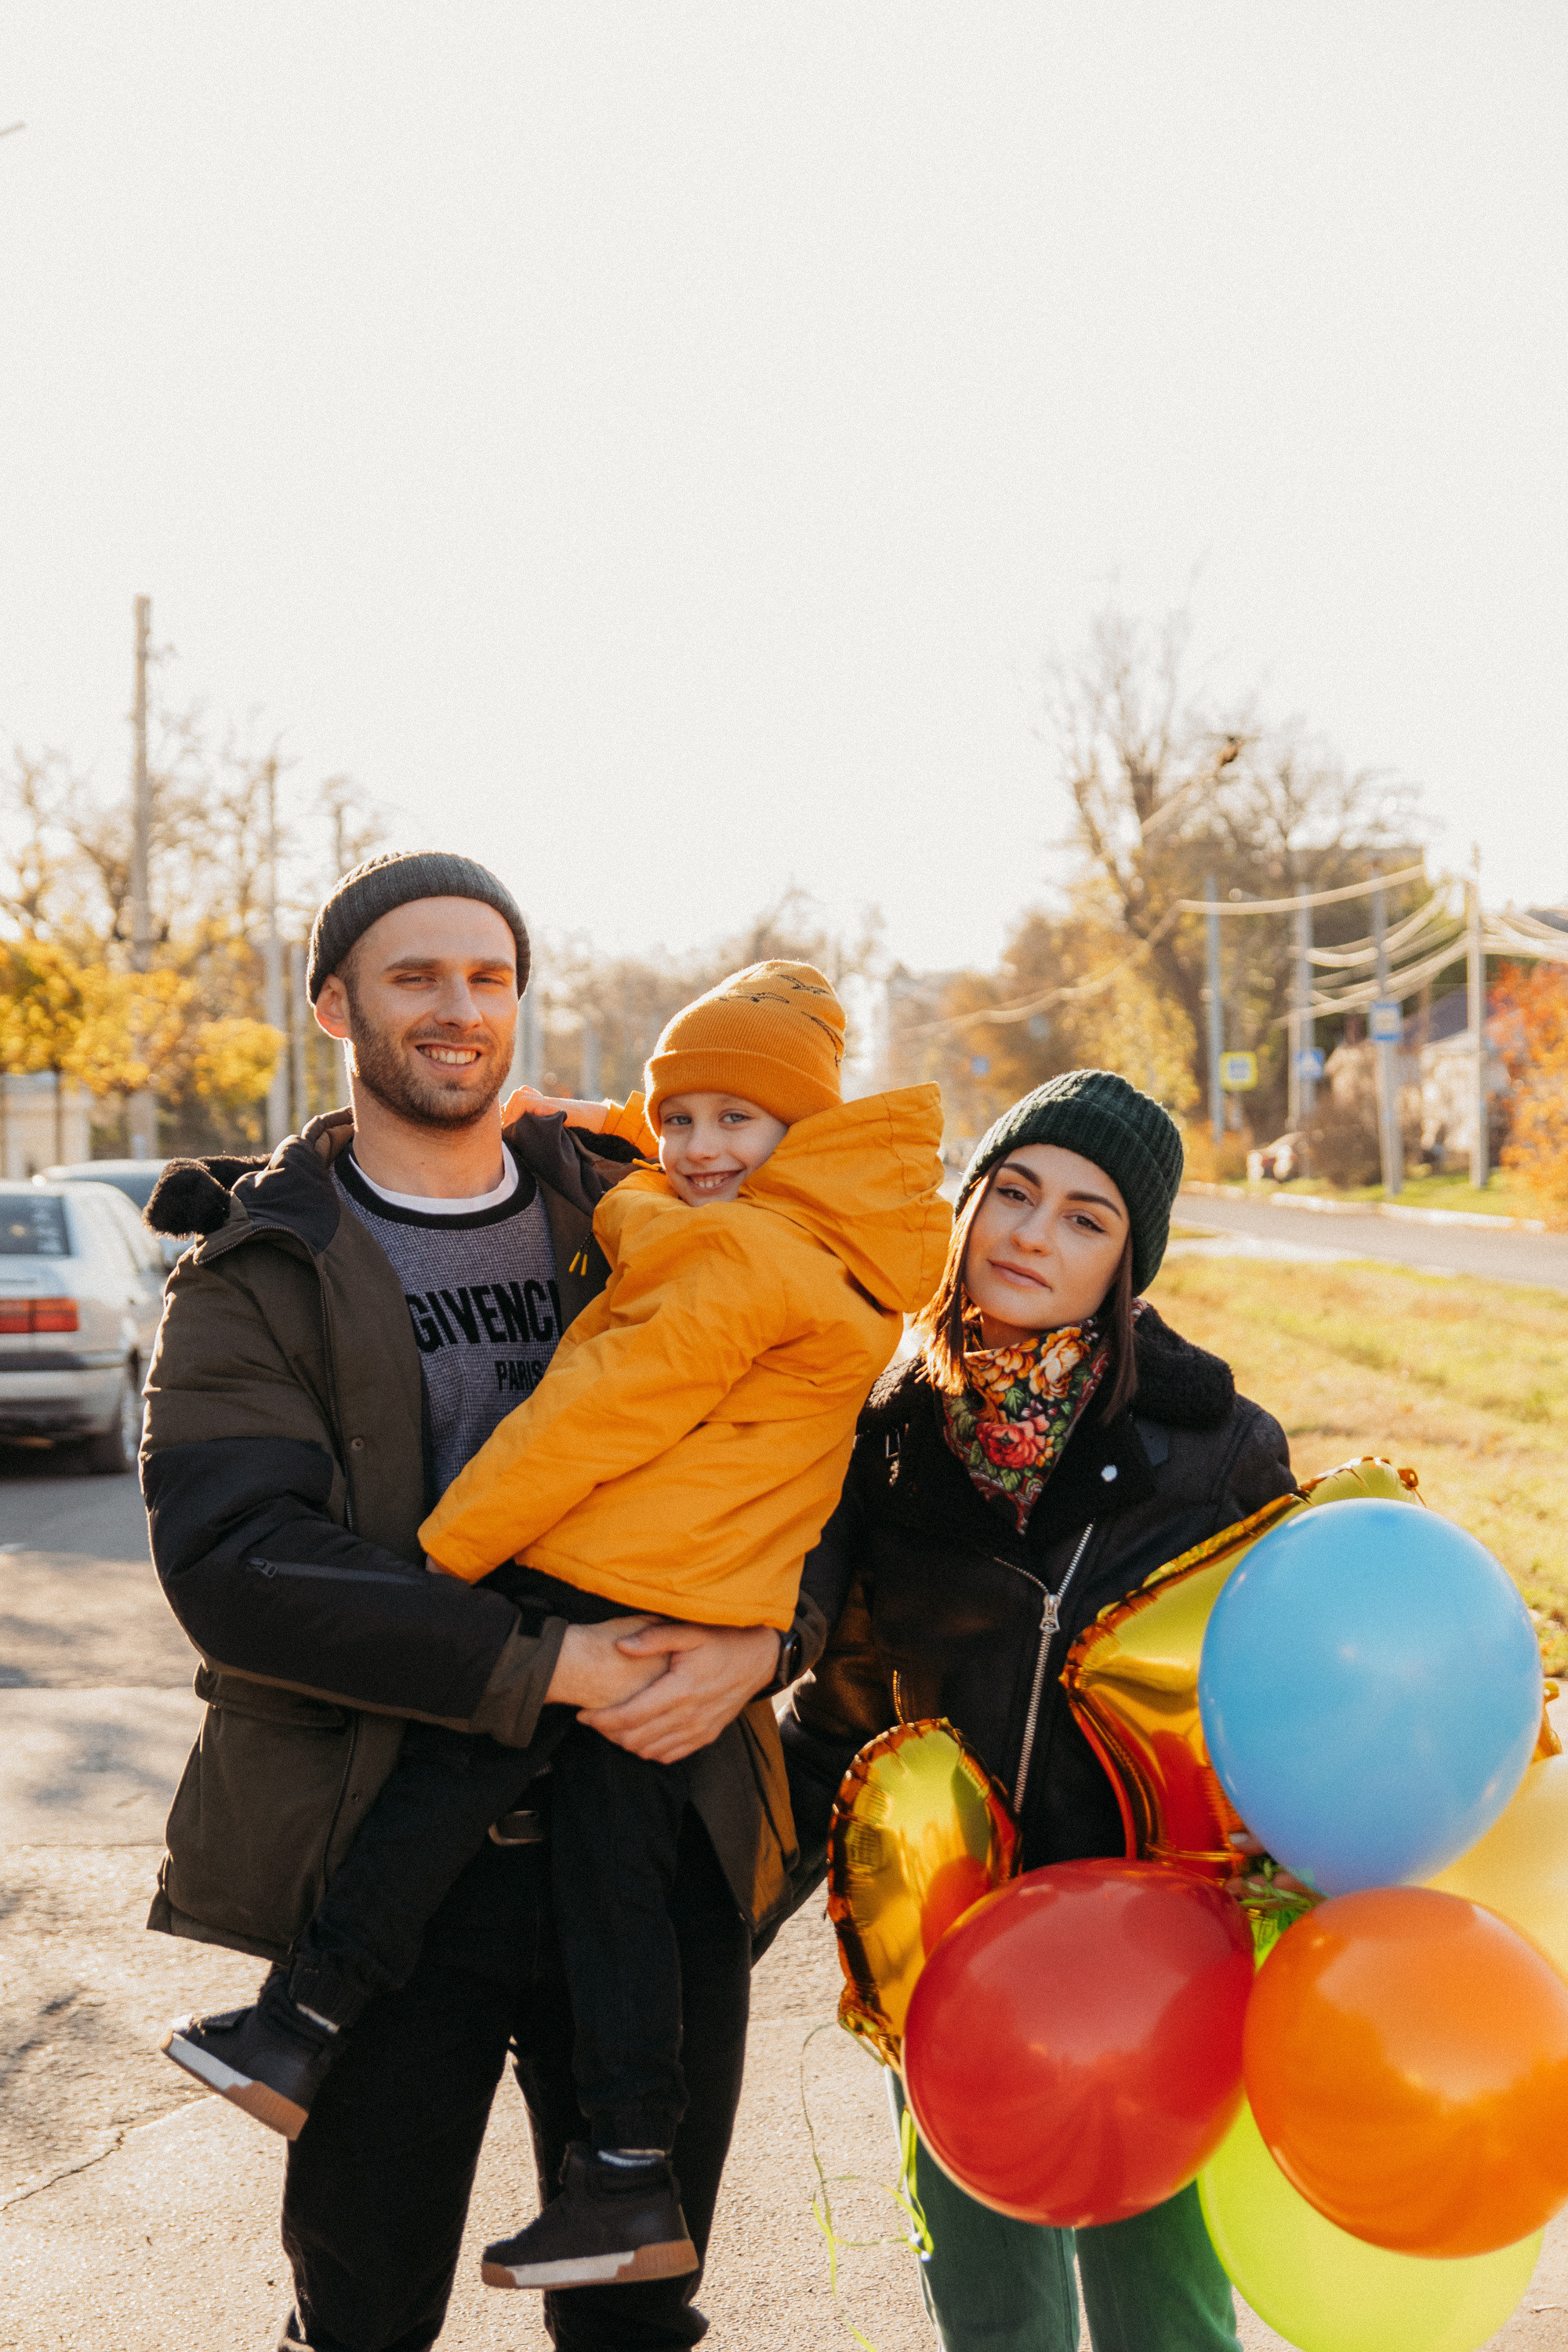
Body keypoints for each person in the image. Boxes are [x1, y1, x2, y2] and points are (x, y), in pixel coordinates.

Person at [162, 958, 949, 2298]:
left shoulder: (700, 1231)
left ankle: (313, 2021)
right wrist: (647, 1122)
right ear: (338, 1004)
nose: (697, 1146)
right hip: (464, 1774)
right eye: (415, 973)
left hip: (637, 1679)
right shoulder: (283, 1245)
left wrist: (756, 1645)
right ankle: (583, 2151)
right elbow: (235, 1565)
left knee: (631, 2319)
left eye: (485, 973)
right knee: (365, 2304)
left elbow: (691, 1449)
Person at [779, 1070, 1298, 2352]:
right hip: (954, 1956)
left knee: (1162, 2310)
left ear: (1130, 1263)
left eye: (1084, 1218)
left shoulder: (1215, 1448)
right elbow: (839, 1709)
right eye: (1012, 1194)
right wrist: (700, 1919)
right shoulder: (883, 1438)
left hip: (1154, 1964)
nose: (1030, 1236)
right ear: (967, 1207)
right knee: (990, 2310)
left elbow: (1279, 1689)